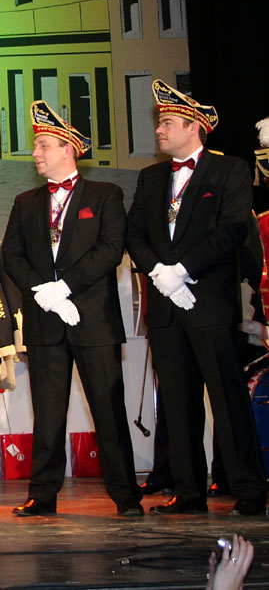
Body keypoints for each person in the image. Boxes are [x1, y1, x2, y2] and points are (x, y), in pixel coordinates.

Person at [126, 80, 268, 516]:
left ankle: (248, 489)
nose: (159, 131)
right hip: (167, 309)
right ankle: (187, 491)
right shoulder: (150, 178)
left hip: (208, 303)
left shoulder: (230, 171)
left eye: (167, 122)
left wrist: (183, 270)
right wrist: (158, 272)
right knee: (178, 401)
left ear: (194, 127)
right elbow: (134, 234)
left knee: (226, 398)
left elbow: (232, 231)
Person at [2, 101, 141, 518]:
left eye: (44, 145)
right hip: (45, 321)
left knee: (108, 409)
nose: (36, 153)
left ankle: (126, 496)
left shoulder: (105, 195)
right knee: (47, 413)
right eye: (36, 146)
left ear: (69, 149)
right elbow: (12, 253)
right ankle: (42, 495)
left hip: (93, 320)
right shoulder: (26, 201)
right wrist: (43, 292)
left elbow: (110, 250)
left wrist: (66, 287)